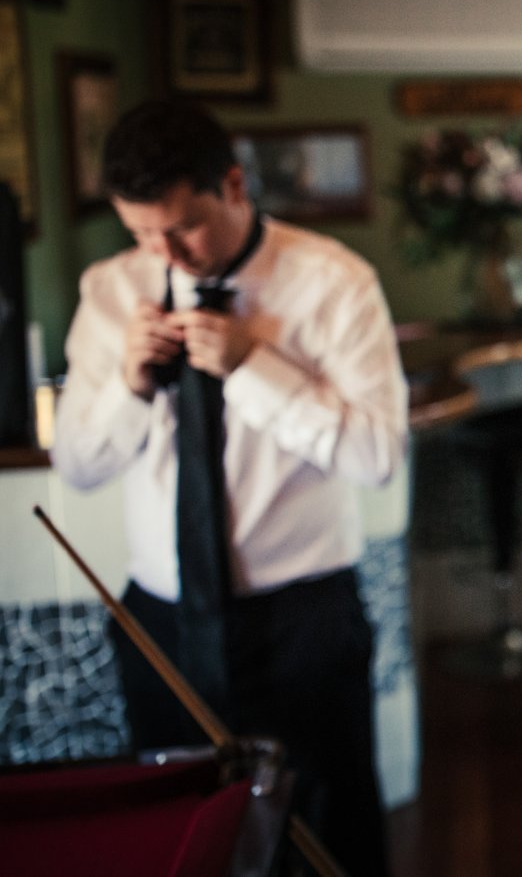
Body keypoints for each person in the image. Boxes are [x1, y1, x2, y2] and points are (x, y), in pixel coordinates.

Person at [52, 99, 405, 876]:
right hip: (163, 625)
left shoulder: (337, 283)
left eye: (183, 228)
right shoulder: (110, 290)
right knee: (184, 839)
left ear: (235, 185)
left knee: (328, 833)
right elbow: (77, 466)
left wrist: (256, 368)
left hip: (303, 619)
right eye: (143, 234)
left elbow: (379, 456)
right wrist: (128, 387)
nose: (166, 254)